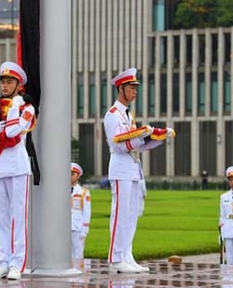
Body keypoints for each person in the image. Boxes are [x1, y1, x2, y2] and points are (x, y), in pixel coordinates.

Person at [103, 67, 174, 273]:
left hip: (133, 167)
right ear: (121, 88)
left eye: (135, 88)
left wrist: (156, 137)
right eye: (131, 88)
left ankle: (127, 254)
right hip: (120, 166)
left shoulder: (128, 115)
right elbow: (117, 143)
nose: (135, 91)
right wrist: (142, 135)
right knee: (120, 213)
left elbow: (138, 145)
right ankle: (116, 258)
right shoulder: (113, 114)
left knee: (132, 214)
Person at [0, 61, 36, 280]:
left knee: (18, 218)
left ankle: (17, 264)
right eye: (3, 81)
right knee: (0, 217)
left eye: (10, 82)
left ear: (19, 86)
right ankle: (2, 262)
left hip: (18, 167)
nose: (5, 85)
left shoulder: (26, 107)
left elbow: (12, 132)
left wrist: (13, 107)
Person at [70, 162, 91, 260]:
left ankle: (78, 271)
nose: (70, 176)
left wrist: (85, 229)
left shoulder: (83, 192)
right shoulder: (61, 190)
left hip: (77, 226)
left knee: (78, 252)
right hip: (64, 227)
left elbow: (87, 211)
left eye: (73, 174)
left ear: (78, 176)